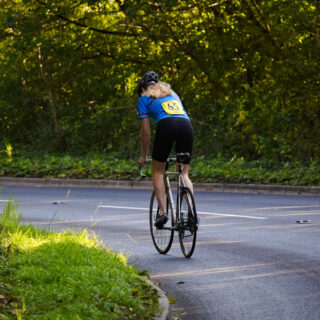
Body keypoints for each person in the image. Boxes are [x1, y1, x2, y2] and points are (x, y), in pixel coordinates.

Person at [137, 71, 194, 229]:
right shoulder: (172, 93)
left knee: (158, 171)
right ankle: (191, 215)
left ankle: (163, 213)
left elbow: (146, 132)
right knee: (184, 172)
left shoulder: (143, 99)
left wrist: (143, 156)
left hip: (167, 126)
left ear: (142, 89)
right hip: (186, 126)